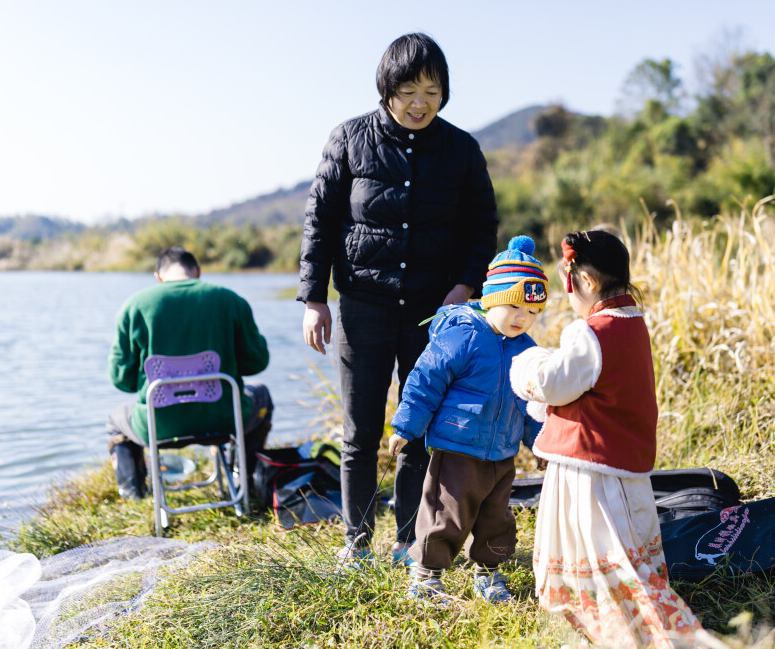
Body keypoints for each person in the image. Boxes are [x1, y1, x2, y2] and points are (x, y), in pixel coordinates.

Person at [298, 33, 498, 566]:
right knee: (361, 433)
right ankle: (356, 543)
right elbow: (320, 222)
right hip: (362, 305)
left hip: (435, 313)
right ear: (386, 88)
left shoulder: (461, 149)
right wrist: (314, 298)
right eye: (408, 89)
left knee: (419, 427)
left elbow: (483, 229)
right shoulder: (348, 139)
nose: (419, 102)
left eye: (431, 90)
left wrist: (465, 286)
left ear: (444, 93)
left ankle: (409, 540)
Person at [509, 230, 702, 647]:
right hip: (626, 461)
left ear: (588, 282)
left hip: (588, 466)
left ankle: (597, 605)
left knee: (592, 540)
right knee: (625, 535)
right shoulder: (633, 322)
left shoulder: (589, 332)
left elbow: (557, 385)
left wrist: (528, 363)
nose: (571, 295)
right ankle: (632, 595)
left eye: (571, 285)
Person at [387, 236, 547, 603]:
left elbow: (532, 403)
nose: (523, 318)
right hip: (457, 447)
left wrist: (538, 442)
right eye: (514, 307)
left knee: (498, 520)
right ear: (492, 298)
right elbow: (424, 381)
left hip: (502, 454)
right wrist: (405, 427)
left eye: (532, 312)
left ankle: (488, 574)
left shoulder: (528, 351)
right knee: (447, 514)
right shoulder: (464, 335)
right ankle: (426, 577)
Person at [106, 246, 273, 500]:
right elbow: (257, 362)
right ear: (197, 272)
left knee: (115, 419)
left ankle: (135, 497)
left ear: (158, 277)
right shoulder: (230, 300)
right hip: (225, 418)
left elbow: (122, 380)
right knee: (261, 394)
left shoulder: (134, 306)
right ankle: (243, 478)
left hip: (157, 426)